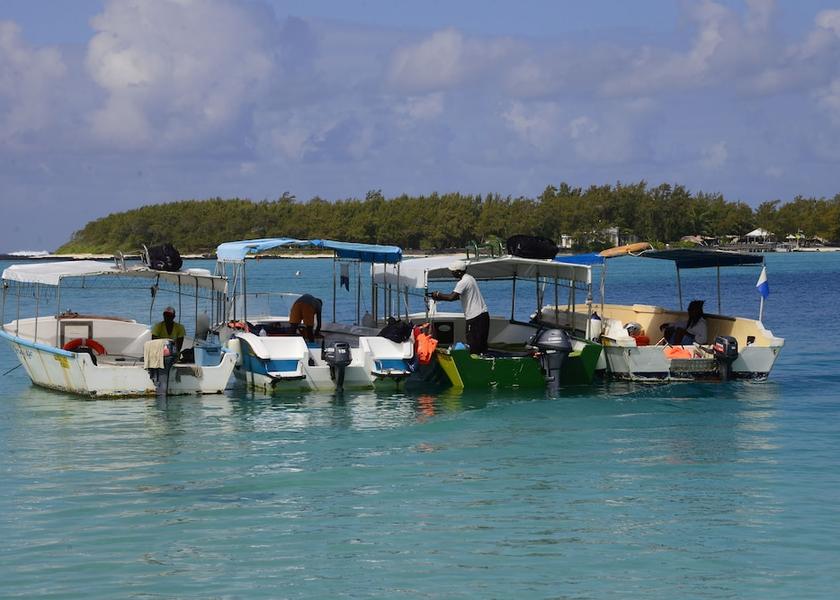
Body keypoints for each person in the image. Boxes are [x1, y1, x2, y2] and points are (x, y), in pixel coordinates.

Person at [430, 260, 490, 355]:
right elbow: (457, 297)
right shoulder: (470, 278)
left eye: (453, 271)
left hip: (475, 317)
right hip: (482, 315)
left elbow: (451, 297)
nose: (452, 273)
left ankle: (474, 364)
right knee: (481, 345)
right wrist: (439, 298)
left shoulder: (463, 282)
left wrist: (438, 294)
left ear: (458, 271)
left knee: (473, 345)